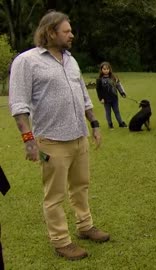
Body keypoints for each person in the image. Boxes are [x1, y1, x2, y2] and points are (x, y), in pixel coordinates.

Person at [8, 11, 110, 261]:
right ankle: (61, 241)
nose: (71, 34)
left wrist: (95, 124)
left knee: (81, 186)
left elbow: (83, 96)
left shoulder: (70, 60)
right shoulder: (27, 61)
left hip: (79, 137)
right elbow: (19, 105)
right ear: (50, 32)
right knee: (54, 195)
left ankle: (85, 226)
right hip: (51, 142)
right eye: (66, 31)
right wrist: (28, 141)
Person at [96, 61, 128, 129]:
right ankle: (110, 124)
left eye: (107, 69)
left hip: (114, 98)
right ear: (101, 70)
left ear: (110, 69)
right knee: (108, 112)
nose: (106, 70)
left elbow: (118, 85)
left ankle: (121, 123)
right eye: (104, 69)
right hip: (106, 100)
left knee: (117, 111)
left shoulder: (114, 77)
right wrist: (101, 98)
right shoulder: (99, 80)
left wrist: (122, 93)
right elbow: (98, 90)